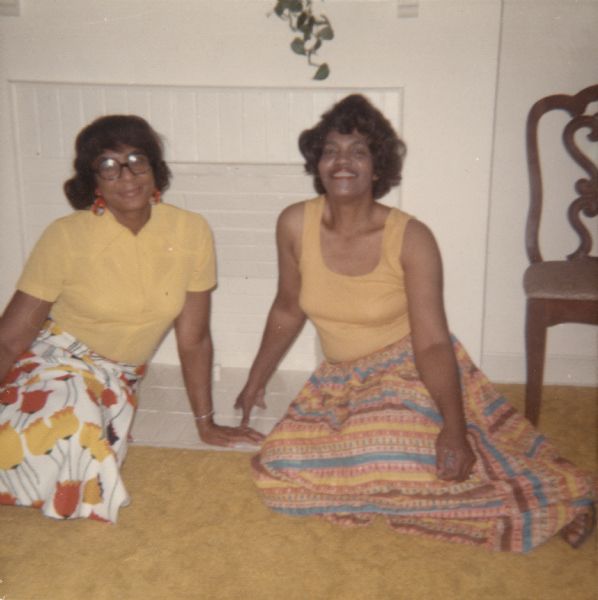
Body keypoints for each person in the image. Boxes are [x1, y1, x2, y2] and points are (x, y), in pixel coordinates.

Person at [235, 94, 596, 552]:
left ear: (378, 168)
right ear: (317, 162)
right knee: (278, 468)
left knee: (410, 456)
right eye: (331, 150)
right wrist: (255, 381)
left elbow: (431, 343)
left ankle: (556, 494)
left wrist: (454, 426)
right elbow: (287, 308)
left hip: (412, 372)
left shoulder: (412, 237)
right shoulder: (293, 223)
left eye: (358, 152)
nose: (342, 162)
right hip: (339, 384)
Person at [0, 115, 263, 522]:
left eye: (136, 159)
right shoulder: (65, 235)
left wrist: (205, 424)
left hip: (118, 377)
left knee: (79, 440)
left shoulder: (191, 231)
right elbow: (10, 340)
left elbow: (193, 338)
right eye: (108, 165)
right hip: (56, 361)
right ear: (94, 181)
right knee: (66, 431)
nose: (126, 176)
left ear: (155, 168)